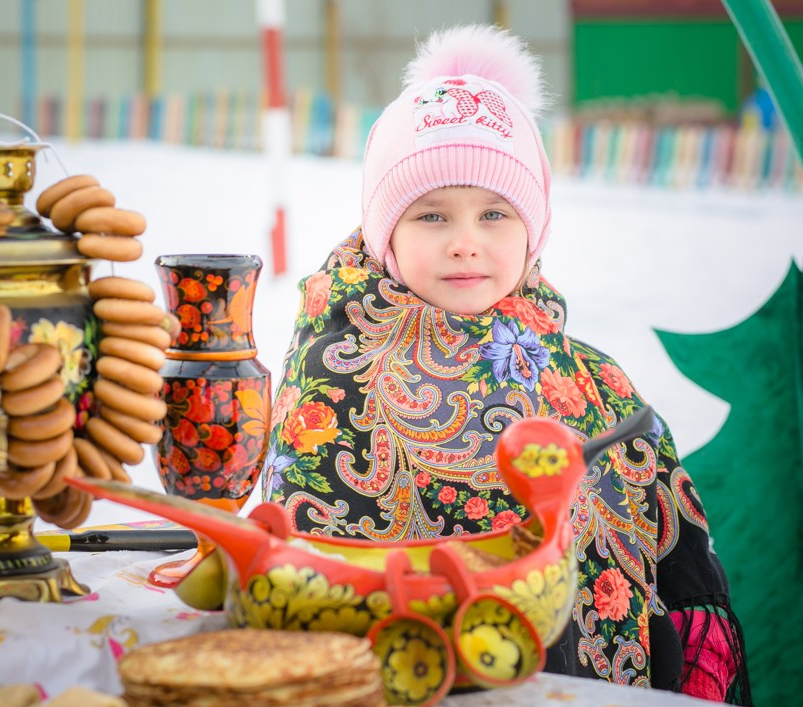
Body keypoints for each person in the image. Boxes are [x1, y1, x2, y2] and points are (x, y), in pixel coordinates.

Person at [259, 25, 750, 704]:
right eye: (432, 216)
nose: (466, 243)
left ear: (533, 227)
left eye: (494, 213)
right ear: (385, 234)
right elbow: (302, 561)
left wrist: (691, 645)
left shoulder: (591, 381)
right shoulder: (333, 370)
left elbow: (679, 555)